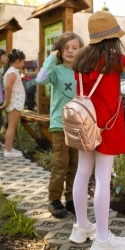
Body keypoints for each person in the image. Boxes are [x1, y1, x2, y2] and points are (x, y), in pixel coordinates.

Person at [69, 11, 125, 250]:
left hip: (85, 122)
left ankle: (82, 228)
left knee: (82, 172)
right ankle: (103, 239)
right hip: (107, 125)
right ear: (113, 36)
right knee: (103, 178)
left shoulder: (81, 59)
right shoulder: (115, 58)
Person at [36, 32, 84, 218]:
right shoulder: (55, 71)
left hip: (79, 126)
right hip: (60, 125)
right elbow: (40, 80)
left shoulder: (83, 72)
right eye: (66, 48)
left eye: (75, 48)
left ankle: (71, 199)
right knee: (61, 164)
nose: (70, 51)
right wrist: (50, 59)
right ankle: (54, 200)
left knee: (75, 165)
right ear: (59, 51)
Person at [0, 49, 26, 158]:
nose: (23, 64)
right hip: (14, 101)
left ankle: (9, 147)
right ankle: (8, 150)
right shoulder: (12, 72)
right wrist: (8, 101)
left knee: (11, 125)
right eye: (23, 61)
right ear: (18, 61)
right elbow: (8, 87)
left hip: (15, 101)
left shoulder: (12, 71)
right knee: (12, 126)